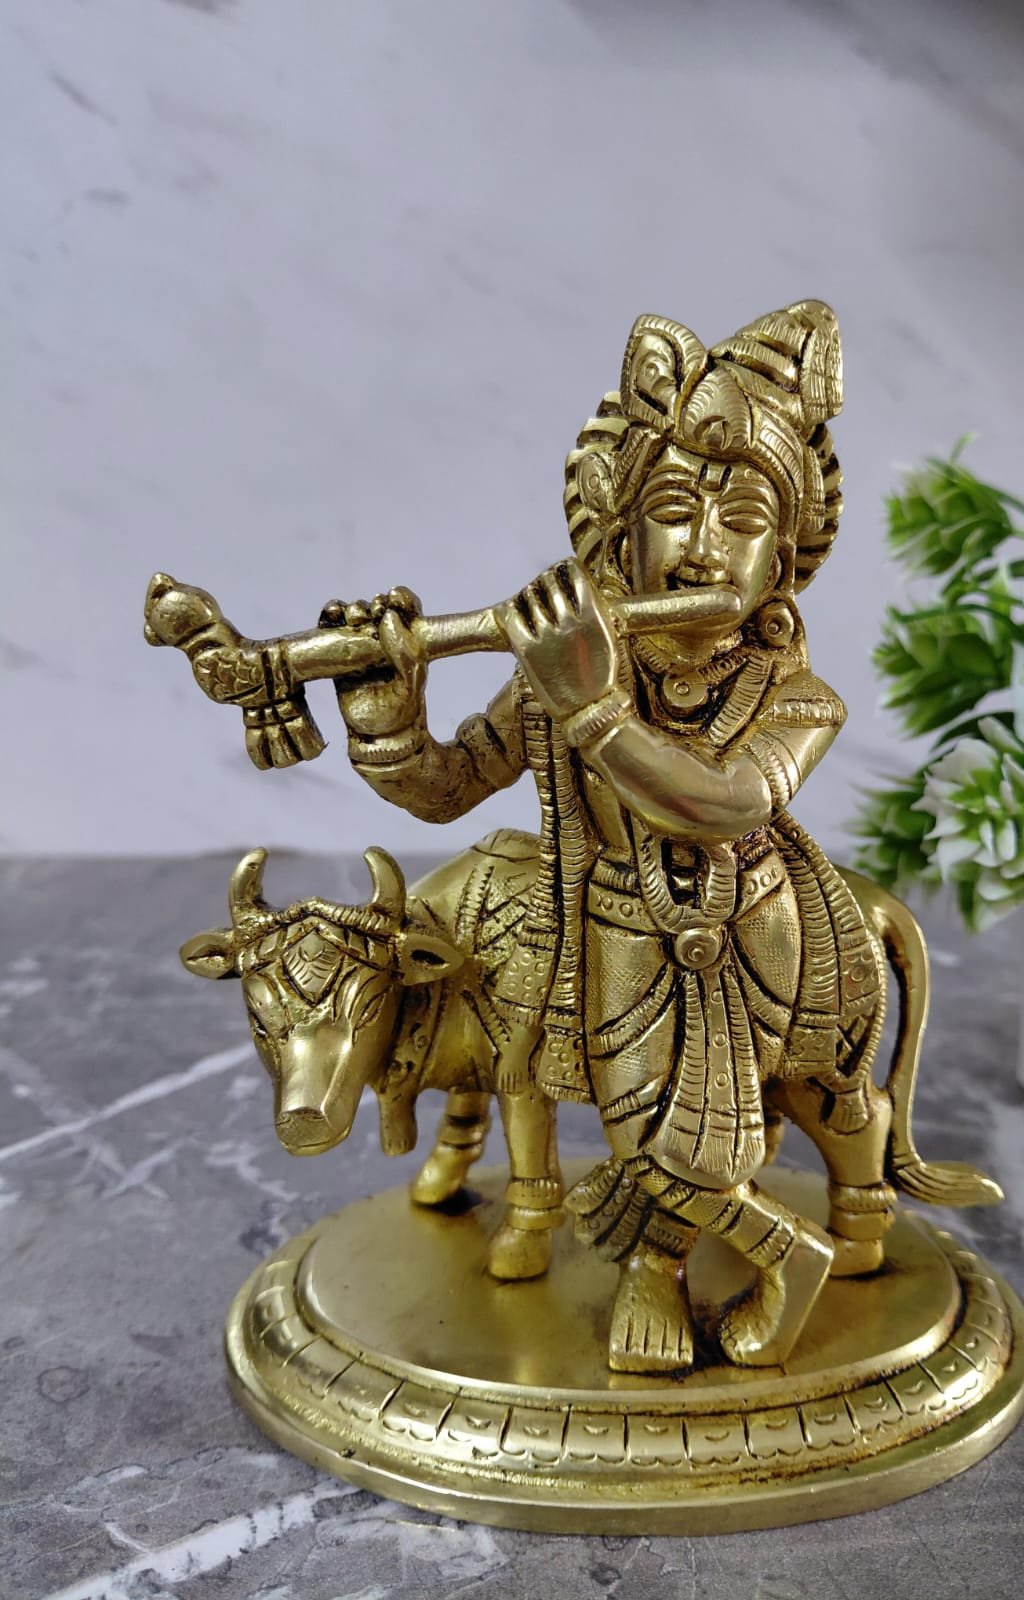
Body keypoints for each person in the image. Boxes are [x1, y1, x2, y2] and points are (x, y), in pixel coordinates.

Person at [326, 302, 894, 1371]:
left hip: (751, 923)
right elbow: (450, 788)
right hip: (611, 924)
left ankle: (792, 1234)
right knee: (632, 1114)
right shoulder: (565, 668)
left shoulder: (794, 695)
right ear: (619, 536)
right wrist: (387, 721)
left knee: (747, 1097)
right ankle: (659, 1269)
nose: (703, 546)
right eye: (674, 508)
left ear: (784, 558)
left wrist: (593, 709)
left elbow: (726, 802)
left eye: (742, 520)